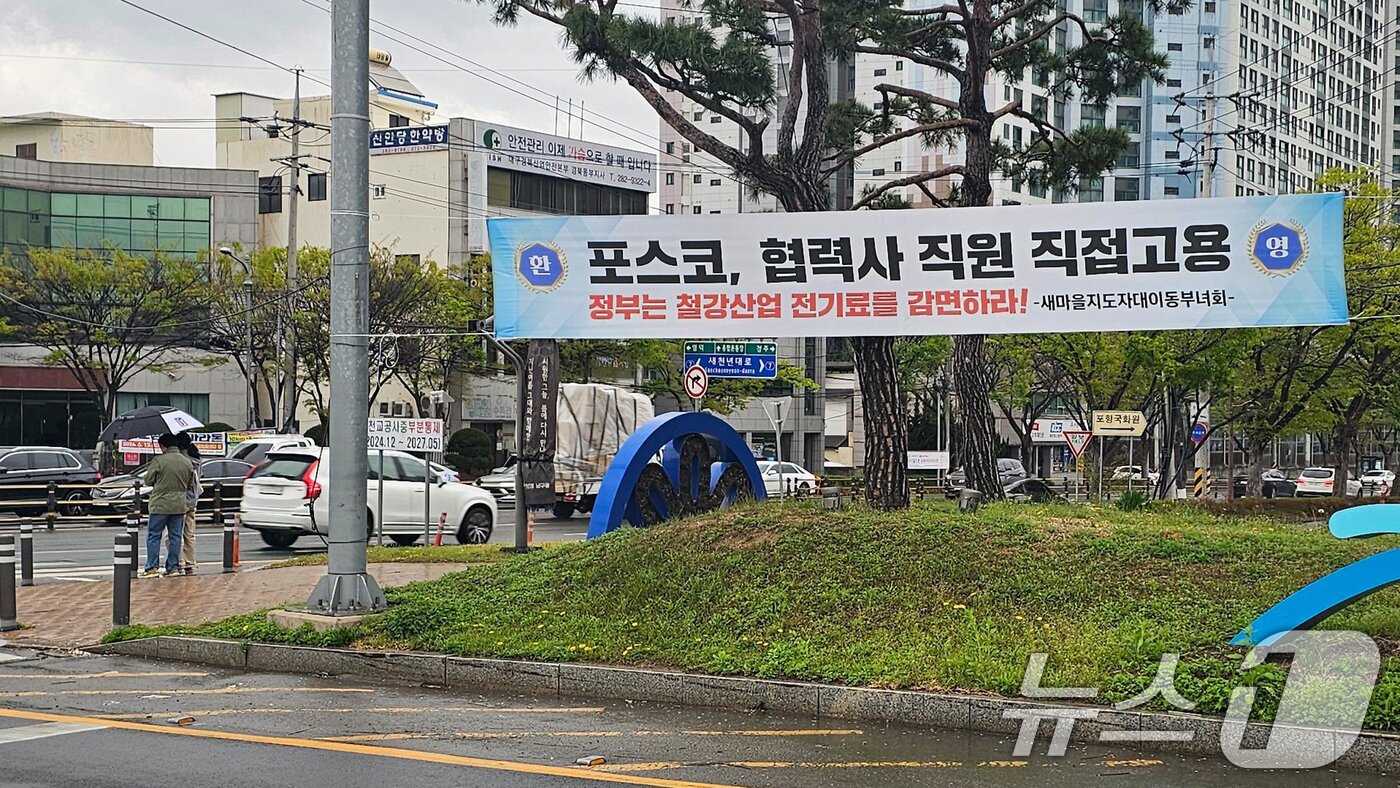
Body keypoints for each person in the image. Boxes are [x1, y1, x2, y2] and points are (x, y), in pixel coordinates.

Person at [143, 433, 194, 577]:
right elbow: (190, 483)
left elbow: (148, 480)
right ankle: (173, 567)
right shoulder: (186, 462)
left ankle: (152, 567)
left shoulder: (159, 461)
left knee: (154, 535)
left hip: (160, 504)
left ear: (163, 446)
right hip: (179, 504)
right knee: (175, 536)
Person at [176, 432, 202, 576]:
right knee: (189, 533)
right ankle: (190, 562)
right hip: (193, 500)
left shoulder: (183, 460)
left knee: (172, 534)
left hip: (181, 500)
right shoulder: (196, 457)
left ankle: (178, 561)